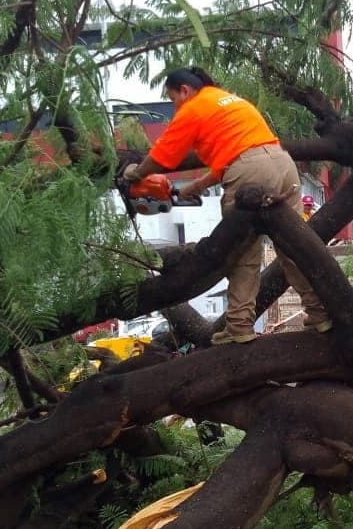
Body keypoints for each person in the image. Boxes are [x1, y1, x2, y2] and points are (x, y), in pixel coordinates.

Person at [124, 66, 329, 344]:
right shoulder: (229, 100)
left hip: (250, 173)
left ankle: (239, 327)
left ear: (184, 90)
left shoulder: (193, 107)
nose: (175, 106)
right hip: (283, 166)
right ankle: (321, 314)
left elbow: (161, 157)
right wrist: (198, 185)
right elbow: (244, 150)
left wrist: (135, 173)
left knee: (241, 252)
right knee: (294, 249)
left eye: (173, 99)